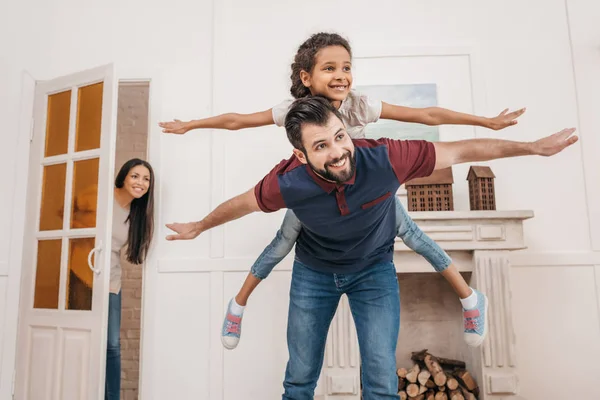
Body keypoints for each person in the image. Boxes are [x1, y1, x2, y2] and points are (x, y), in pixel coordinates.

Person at [165, 96, 576, 400]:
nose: (338, 152)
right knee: (300, 377)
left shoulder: (386, 157)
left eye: (339, 137)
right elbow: (240, 204)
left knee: (380, 379)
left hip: (374, 271)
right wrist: (199, 227)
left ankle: (471, 300)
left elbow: (463, 150)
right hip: (314, 273)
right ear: (300, 154)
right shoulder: (288, 181)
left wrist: (531, 148)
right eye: (321, 146)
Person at [159, 32, 526, 349]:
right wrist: (192, 125)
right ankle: (237, 306)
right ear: (307, 76)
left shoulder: (360, 105)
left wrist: (486, 122)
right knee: (281, 244)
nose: (341, 75)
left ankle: (470, 299)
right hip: (316, 195)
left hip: (366, 195)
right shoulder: (293, 110)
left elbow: (425, 116)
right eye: (330, 68)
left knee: (415, 236)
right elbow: (238, 121)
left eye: (346, 67)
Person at [107, 159, 154, 400]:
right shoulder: (102, 196)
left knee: (112, 346)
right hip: (80, 276)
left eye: (146, 179)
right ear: (124, 176)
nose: (141, 183)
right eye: (135, 176)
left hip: (111, 280)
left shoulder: (136, 215)